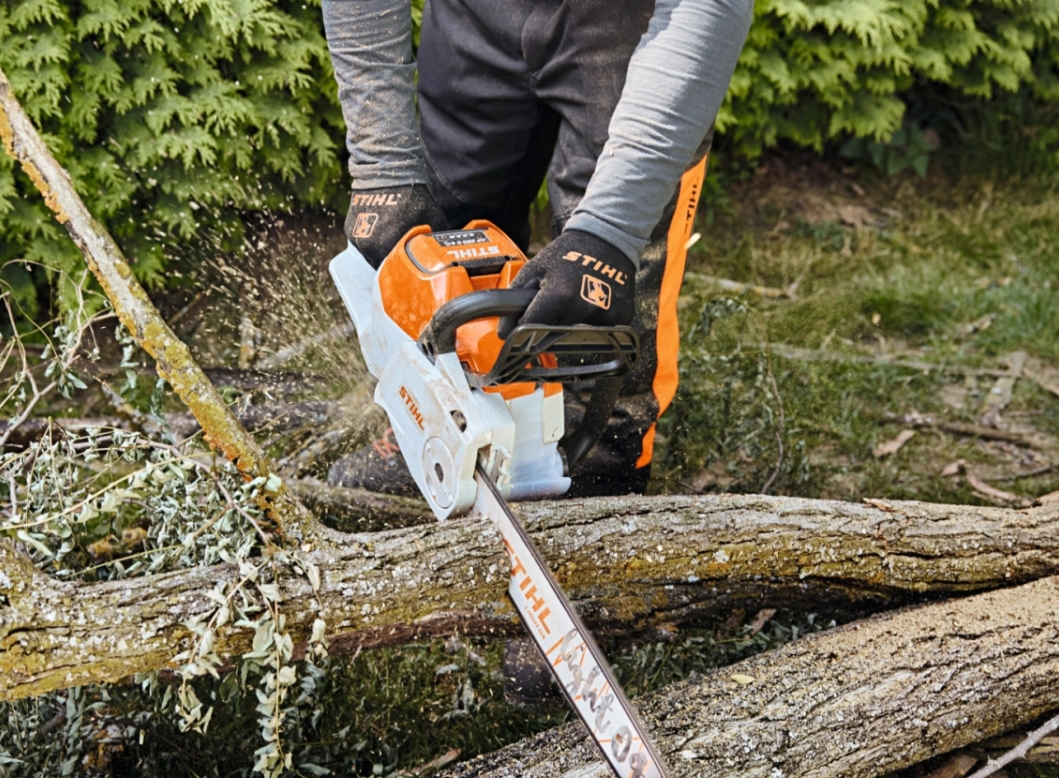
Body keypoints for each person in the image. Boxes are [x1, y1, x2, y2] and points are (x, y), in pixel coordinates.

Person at [322, 0, 753, 706]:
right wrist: (381, 166)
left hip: (634, 24)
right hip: (476, 18)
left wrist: (607, 235)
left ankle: (603, 500)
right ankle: (438, 423)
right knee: (448, 226)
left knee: (611, 297)